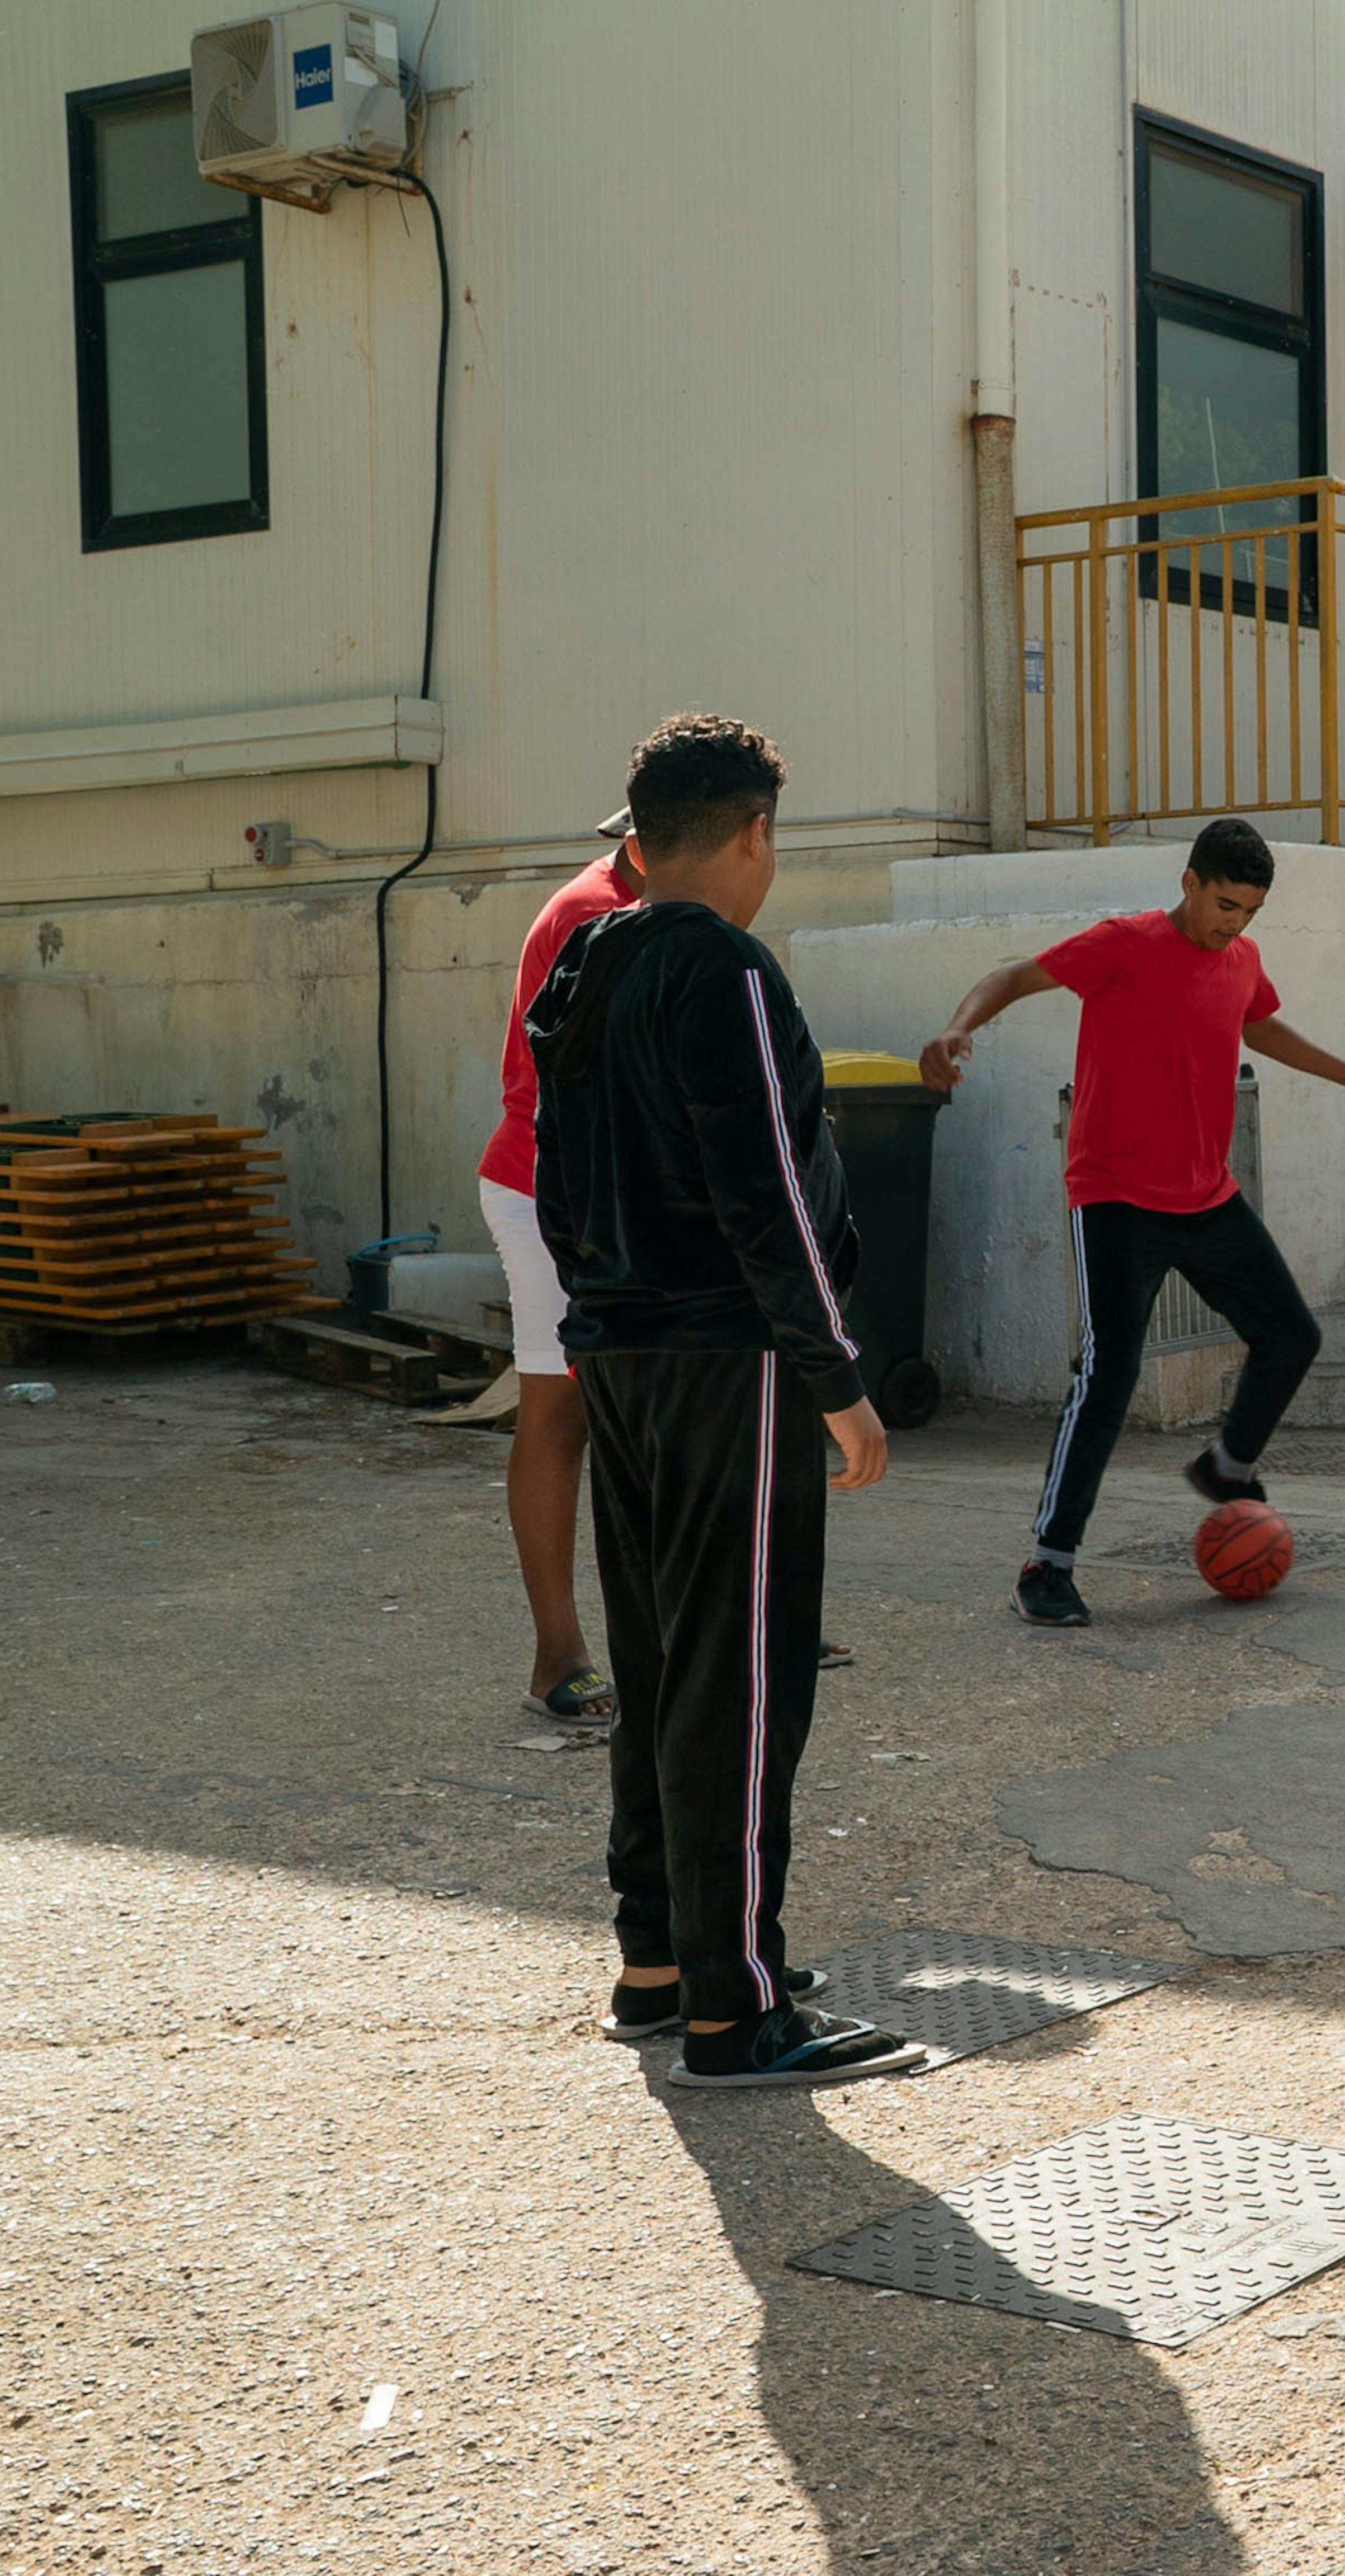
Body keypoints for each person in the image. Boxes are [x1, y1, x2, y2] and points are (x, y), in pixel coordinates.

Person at [526, 713, 923, 2088]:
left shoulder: (585, 961)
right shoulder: (725, 969)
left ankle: (661, 1957)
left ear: (639, 829)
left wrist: (596, 1321)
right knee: (744, 1677)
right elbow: (770, 1187)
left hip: (620, 1353)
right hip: (727, 1361)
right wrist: (839, 1378)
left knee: (660, 1663)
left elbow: (550, 1177)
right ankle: (735, 2006)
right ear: (752, 830)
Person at [915, 819, 1345, 1630]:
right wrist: (959, 1026)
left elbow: (1259, 1024)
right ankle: (1047, 1565)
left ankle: (1227, 1467)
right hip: (1115, 1198)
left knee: (1291, 1336)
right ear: (1189, 883)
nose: (1235, 924)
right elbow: (1013, 975)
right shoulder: (1124, 944)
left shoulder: (1242, 961)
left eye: (1250, 911)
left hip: (1206, 1197)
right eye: (1225, 904)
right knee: (1108, 1378)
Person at [476, 805, 644, 1728]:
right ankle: (557, 1655)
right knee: (562, 1410)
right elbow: (588, 1089)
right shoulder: (598, 913)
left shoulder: (648, 905)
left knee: (631, 1411)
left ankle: (717, 1623)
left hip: (590, 1190)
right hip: (553, 1188)